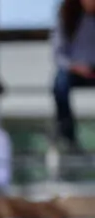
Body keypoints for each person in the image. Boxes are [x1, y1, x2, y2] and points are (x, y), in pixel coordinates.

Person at [52, 0, 95, 152]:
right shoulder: (66, 17)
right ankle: (66, 132)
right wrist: (76, 67)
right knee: (59, 83)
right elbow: (58, 55)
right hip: (74, 69)